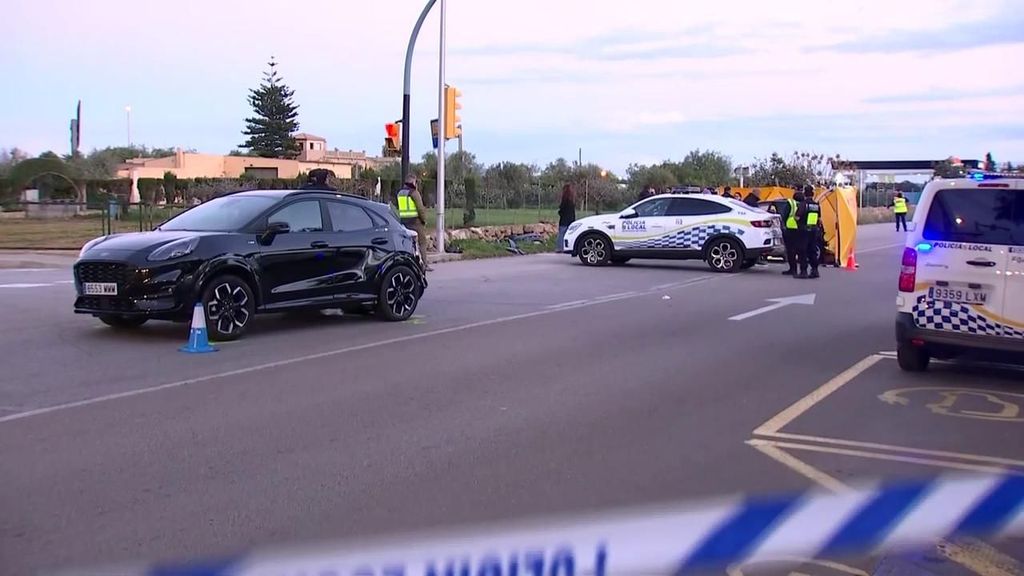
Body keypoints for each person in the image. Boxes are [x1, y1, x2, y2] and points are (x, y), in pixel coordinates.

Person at [396, 174, 432, 271]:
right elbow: (420, 208)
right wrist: (424, 220)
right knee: (422, 242)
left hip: (404, 222)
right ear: (413, 182)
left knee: (407, 243)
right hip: (415, 222)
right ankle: (424, 264)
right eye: (416, 182)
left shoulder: (400, 193)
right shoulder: (414, 193)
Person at [801, 185, 822, 279]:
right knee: (812, 250)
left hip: (804, 230)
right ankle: (815, 270)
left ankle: (803, 271)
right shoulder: (816, 205)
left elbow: (798, 216)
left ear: (804, 193)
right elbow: (819, 219)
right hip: (814, 230)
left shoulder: (803, 204)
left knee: (803, 251)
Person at [781, 192, 802, 275]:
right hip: (801, 229)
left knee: (791, 250)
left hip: (790, 228)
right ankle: (803, 269)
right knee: (800, 250)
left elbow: (784, 215)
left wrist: (783, 225)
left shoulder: (790, 203)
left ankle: (793, 269)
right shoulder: (804, 204)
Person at [557, 183, 577, 254]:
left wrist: (560, 213)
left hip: (564, 220)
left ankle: (560, 248)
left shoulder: (564, 200)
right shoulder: (572, 200)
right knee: (569, 234)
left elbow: (562, 209)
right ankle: (569, 248)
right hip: (571, 219)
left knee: (561, 234)